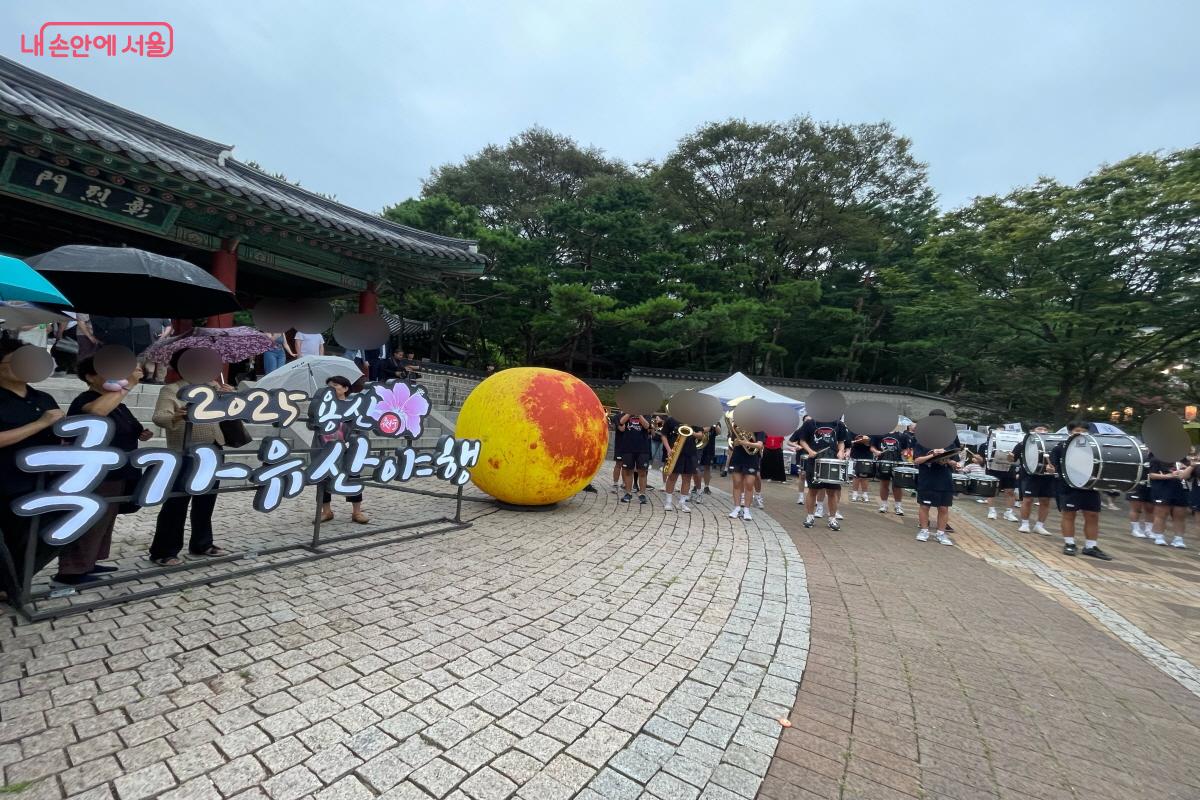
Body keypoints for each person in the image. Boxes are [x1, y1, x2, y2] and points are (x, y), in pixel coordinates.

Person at [56, 358, 154, 584]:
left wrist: (141, 433)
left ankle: (90, 562)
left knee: (104, 519)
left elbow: (131, 427)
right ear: (91, 377)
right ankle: (71, 570)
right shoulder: (87, 399)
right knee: (88, 518)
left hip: (118, 470)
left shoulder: (118, 403)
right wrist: (128, 383)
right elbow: (98, 412)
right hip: (94, 471)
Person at [149, 349, 231, 566]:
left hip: (214, 449)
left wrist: (231, 396)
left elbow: (231, 413)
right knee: (177, 501)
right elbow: (159, 417)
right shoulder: (172, 390)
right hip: (185, 451)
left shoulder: (214, 387)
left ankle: (203, 543)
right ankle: (164, 550)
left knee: (206, 500)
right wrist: (177, 415)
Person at [0, 339, 65, 601]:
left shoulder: (43, 398)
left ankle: (11, 584)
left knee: (37, 535)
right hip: (5, 478)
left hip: (39, 483)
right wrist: (41, 423)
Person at [1051, 421, 1112, 559]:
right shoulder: (1060, 448)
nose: (1081, 433)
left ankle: (1090, 546)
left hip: (1090, 486)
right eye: (1077, 430)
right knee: (1069, 515)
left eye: (1084, 431)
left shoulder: (1095, 449)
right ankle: (1069, 543)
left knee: (1092, 515)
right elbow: (1052, 466)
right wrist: (1051, 468)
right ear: (1070, 432)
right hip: (1068, 486)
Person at [319, 377, 370, 524]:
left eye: (335, 386)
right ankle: (326, 511)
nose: (332, 389)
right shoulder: (324, 406)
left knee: (353, 476)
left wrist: (355, 444)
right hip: (326, 448)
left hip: (348, 448)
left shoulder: (353, 406)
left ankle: (357, 512)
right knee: (323, 478)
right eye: (329, 386)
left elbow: (361, 427)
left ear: (346, 388)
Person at [793, 415, 849, 530]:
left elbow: (841, 442)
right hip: (814, 461)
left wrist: (841, 451)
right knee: (813, 490)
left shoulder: (839, 424)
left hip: (832, 461)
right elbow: (802, 440)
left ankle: (832, 519)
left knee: (832, 492)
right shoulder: (810, 423)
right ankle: (810, 517)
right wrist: (809, 451)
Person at [912, 410, 959, 546]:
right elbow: (917, 460)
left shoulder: (950, 439)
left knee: (944, 507)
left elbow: (955, 461)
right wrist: (932, 455)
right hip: (927, 477)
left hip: (944, 477)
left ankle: (941, 533)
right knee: (924, 505)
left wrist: (947, 460)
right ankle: (924, 530)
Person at [1016, 425, 1055, 535]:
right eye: (1039, 429)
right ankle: (1024, 524)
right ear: (1032, 431)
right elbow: (1012, 458)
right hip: (1030, 475)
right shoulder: (1023, 444)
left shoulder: (1052, 444)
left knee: (1045, 501)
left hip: (1047, 476)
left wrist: (1052, 467)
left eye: (1045, 429)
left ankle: (1039, 526)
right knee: (1027, 500)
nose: (1043, 431)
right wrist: (1009, 456)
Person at [1147, 451, 1192, 548]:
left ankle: (1178, 539)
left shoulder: (1183, 459)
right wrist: (1168, 476)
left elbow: (1190, 475)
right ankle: (1159, 536)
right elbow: (1151, 475)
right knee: (1161, 513)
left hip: (1181, 489)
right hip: (1163, 489)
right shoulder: (1156, 458)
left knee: (1179, 515)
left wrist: (1186, 470)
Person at [660, 416, 702, 513]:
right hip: (675, 452)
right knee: (672, 477)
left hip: (690, 453)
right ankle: (668, 502)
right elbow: (663, 435)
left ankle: (682, 502)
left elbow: (700, 435)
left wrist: (692, 432)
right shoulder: (671, 420)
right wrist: (668, 449)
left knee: (687, 478)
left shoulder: (694, 420)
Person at [616, 410, 653, 505]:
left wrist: (639, 414)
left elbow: (647, 426)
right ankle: (628, 493)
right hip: (628, 447)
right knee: (628, 471)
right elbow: (621, 423)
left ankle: (642, 494)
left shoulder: (646, 414)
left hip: (642, 448)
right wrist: (629, 413)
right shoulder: (626, 413)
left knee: (642, 472)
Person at [727, 428, 765, 520]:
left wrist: (745, 443)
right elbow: (733, 444)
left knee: (749, 484)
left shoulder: (759, 429)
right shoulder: (737, 428)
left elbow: (760, 445)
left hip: (751, 458)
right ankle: (737, 508)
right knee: (737, 483)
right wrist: (736, 442)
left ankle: (747, 510)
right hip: (737, 457)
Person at [870, 431, 906, 516]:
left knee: (897, 485)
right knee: (884, 483)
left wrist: (904, 452)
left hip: (897, 462)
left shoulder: (901, 435)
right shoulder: (878, 434)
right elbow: (872, 447)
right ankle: (884, 505)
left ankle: (898, 506)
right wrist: (876, 451)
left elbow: (905, 448)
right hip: (883, 462)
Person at [140, 319, 173, 384]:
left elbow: (169, 326)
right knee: (149, 360)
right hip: (146, 342)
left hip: (160, 341)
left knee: (162, 360)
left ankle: (160, 380)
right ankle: (149, 377)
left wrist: (164, 335)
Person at [848, 432, 874, 503]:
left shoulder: (871, 431)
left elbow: (873, 443)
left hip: (867, 456)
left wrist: (867, 441)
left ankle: (865, 494)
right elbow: (849, 442)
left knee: (865, 476)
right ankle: (855, 494)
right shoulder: (853, 430)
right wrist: (858, 439)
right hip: (855, 455)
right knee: (855, 476)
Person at [697, 423, 720, 496]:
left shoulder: (714, 421)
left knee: (707, 468)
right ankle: (696, 486)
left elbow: (719, 432)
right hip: (698, 447)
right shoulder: (699, 419)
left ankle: (706, 487)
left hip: (709, 448)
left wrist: (715, 424)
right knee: (697, 468)